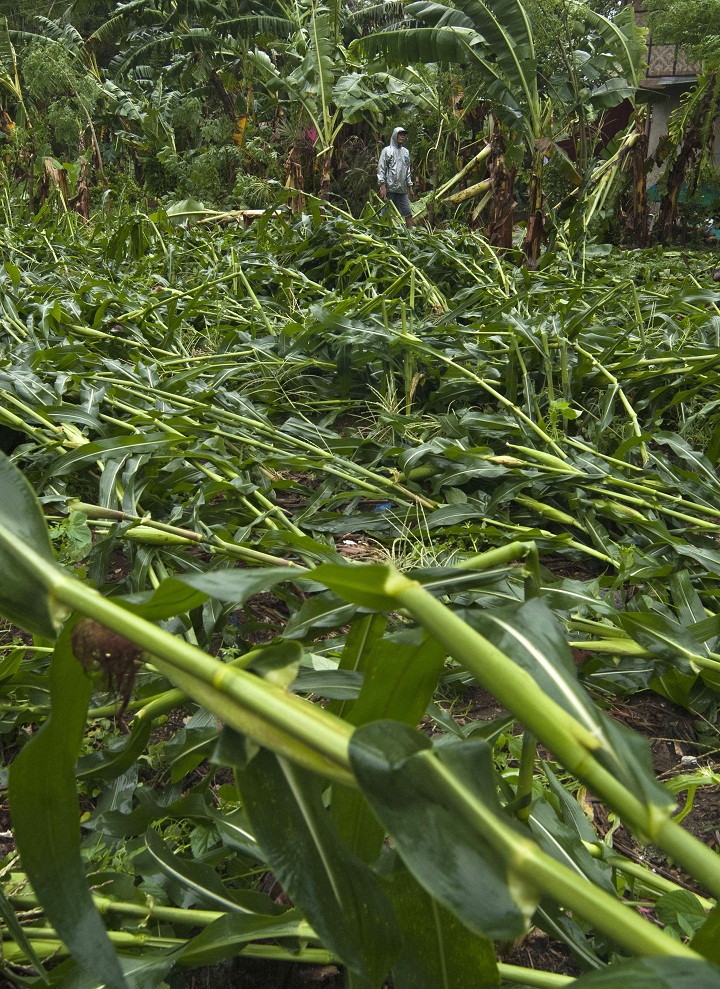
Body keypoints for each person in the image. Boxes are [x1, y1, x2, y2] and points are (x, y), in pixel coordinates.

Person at [377, 126, 414, 227]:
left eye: (404, 135)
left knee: (407, 213)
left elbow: (407, 170)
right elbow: (381, 169)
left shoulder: (405, 152)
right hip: (390, 189)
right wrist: (382, 186)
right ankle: (381, 232)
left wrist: (410, 186)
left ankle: (414, 234)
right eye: (400, 134)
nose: (402, 137)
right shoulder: (387, 151)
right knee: (385, 213)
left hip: (402, 190)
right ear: (395, 135)